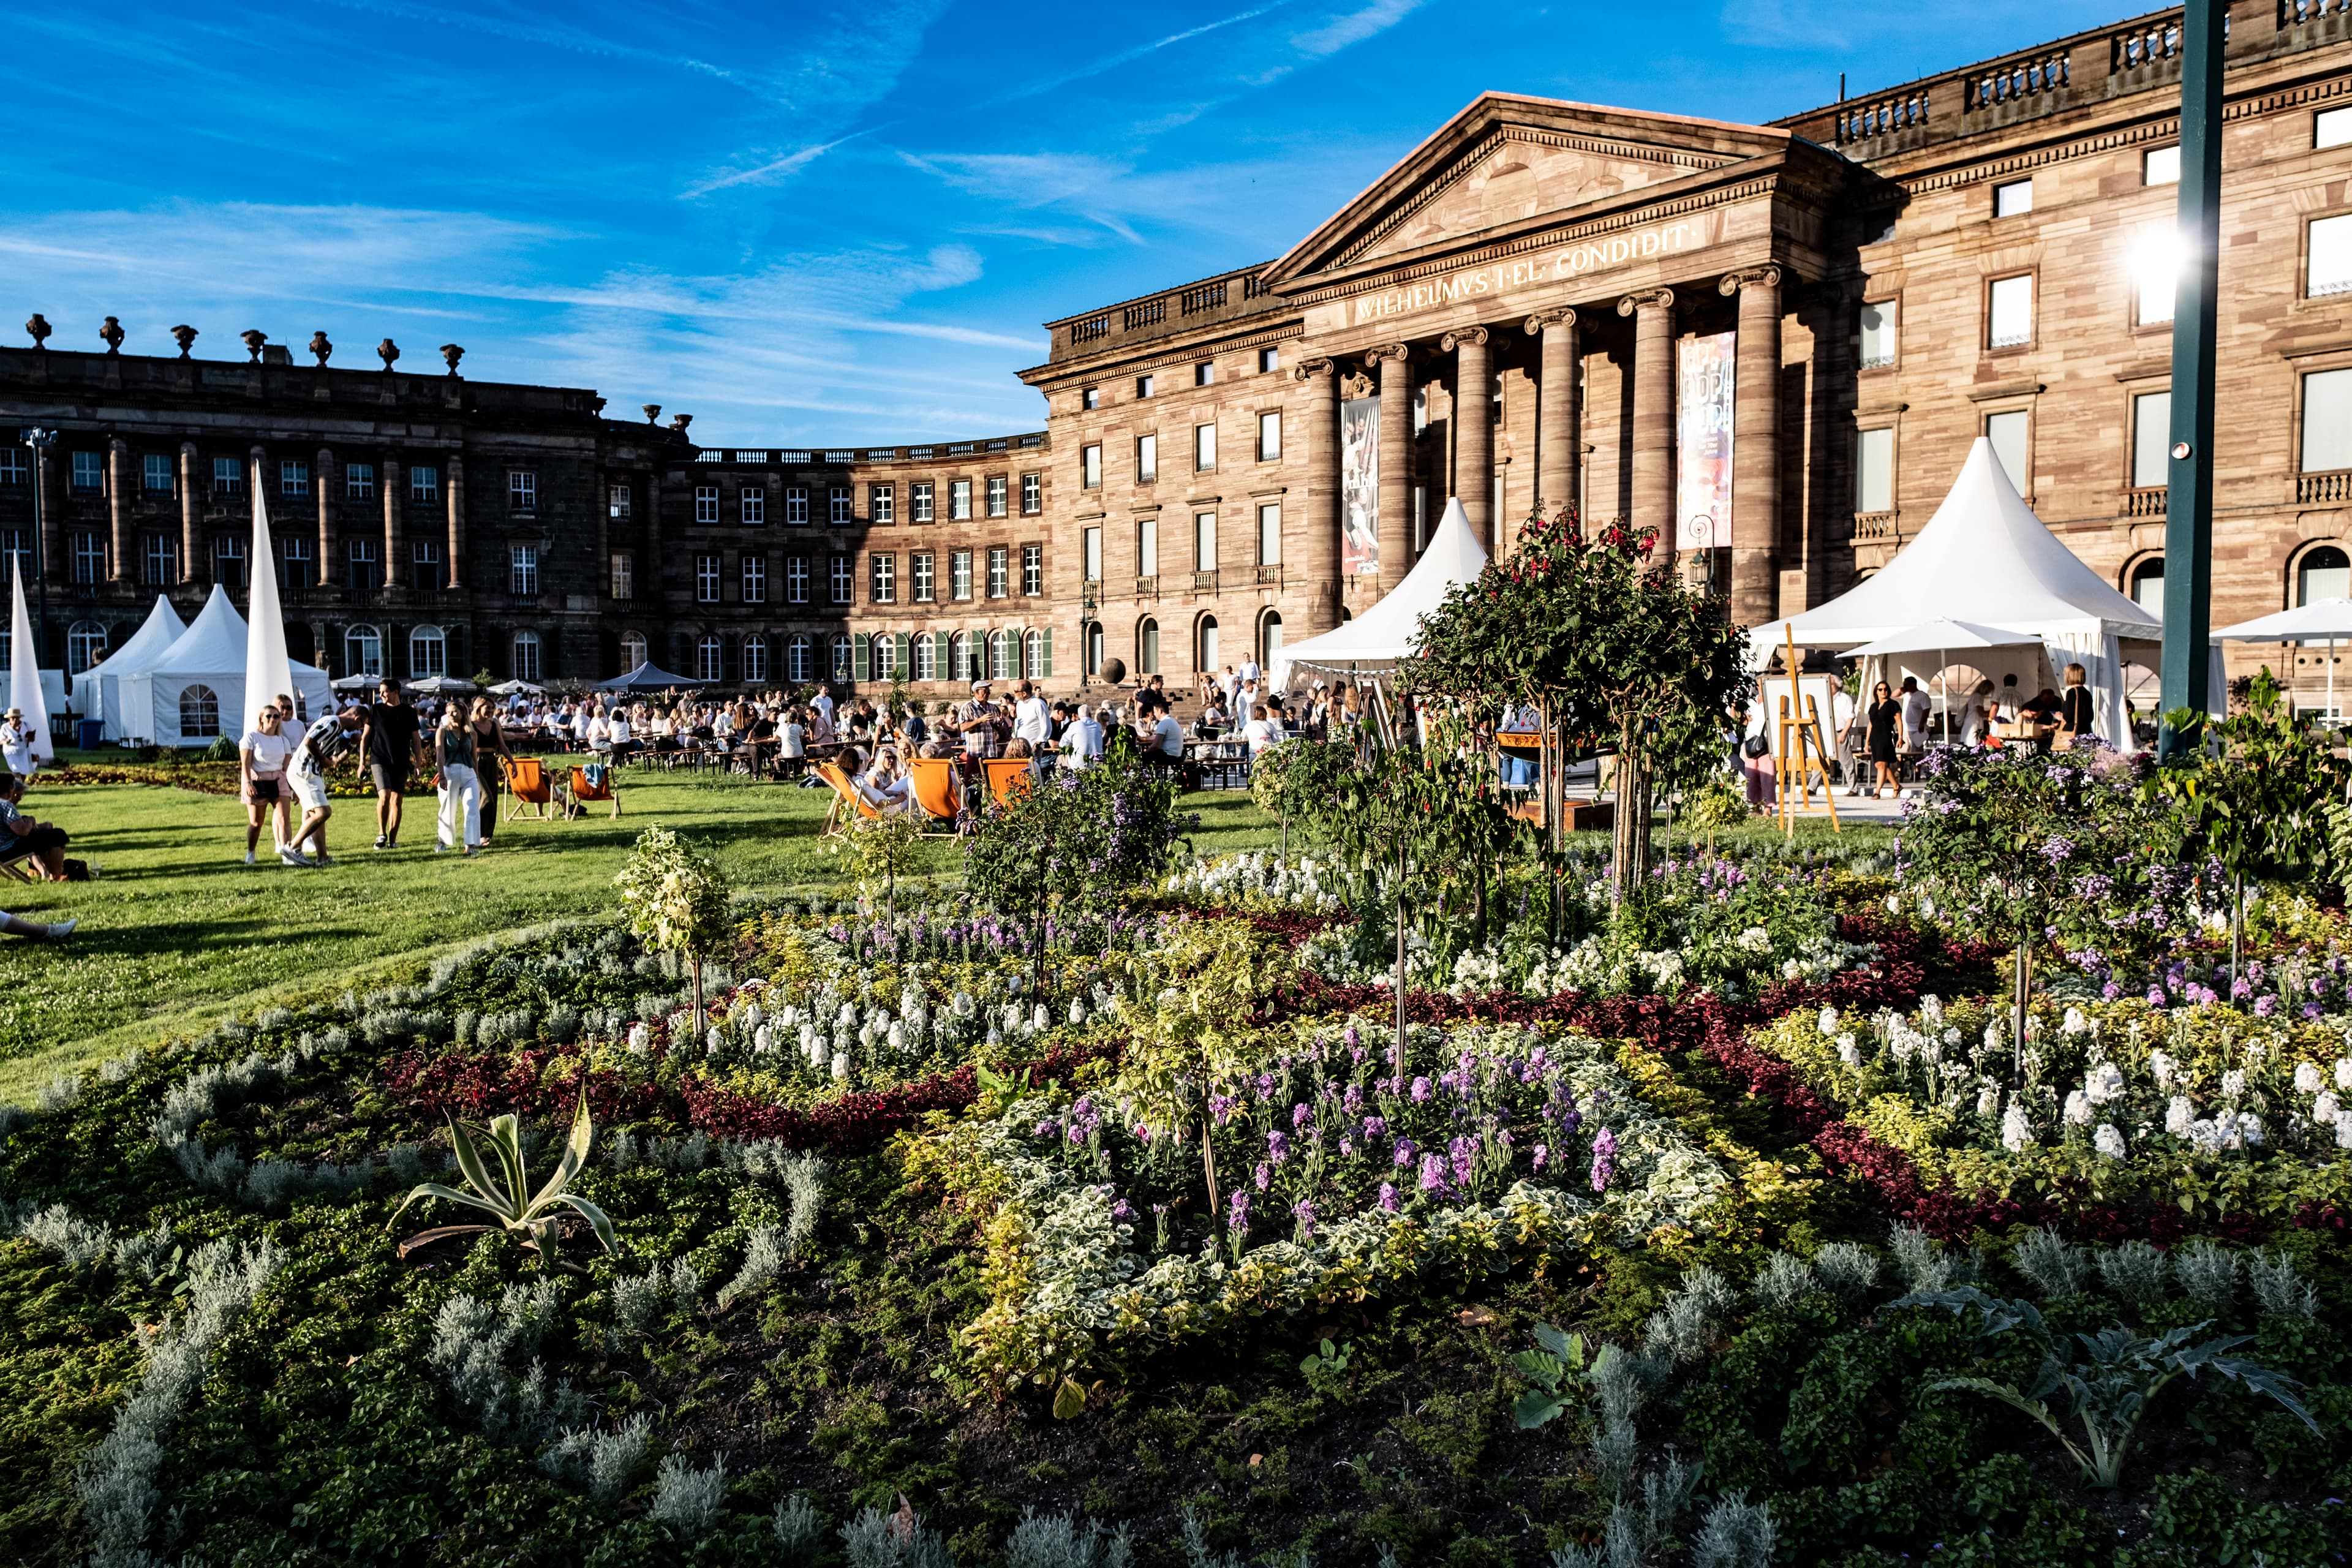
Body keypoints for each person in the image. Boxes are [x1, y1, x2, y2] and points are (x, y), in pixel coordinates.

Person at [287, 703, 364, 865]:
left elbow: (334, 760)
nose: (360, 728)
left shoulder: (337, 731)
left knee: (317, 815)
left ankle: (323, 857)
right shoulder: (331, 722)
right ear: (357, 719)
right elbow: (309, 742)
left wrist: (352, 745)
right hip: (306, 770)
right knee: (323, 813)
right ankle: (293, 847)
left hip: (311, 773)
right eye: (361, 724)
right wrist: (322, 759)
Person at [358, 680, 424, 850]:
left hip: (401, 760)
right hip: (379, 758)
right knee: (385, 795)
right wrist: (361, 762)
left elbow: (416, 740)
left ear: (395, 692)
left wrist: (418, 762)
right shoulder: (375, 711)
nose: (381, 695)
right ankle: (382, 834)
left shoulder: (409, 712)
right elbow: (365, 738)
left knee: (397, 800)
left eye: (384, 692)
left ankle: (393, 840)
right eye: (380, 692)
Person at [238, 704, 295, 866]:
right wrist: (248, 783)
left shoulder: (283, 740)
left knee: (284, 818)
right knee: (257, 823)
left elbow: (287, 764)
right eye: (269, 716)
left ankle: (286, 852)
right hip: (258, 780)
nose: (273, 719)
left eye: (276, 716)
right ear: (261, 719)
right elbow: (246, 763)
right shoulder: (251, 738)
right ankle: (251, 852)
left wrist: (292, 786)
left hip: (279, 779)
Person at [434, 703, 483, 856]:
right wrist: (441, 775)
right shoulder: (442, 731)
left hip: (469, 773)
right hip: (450, 772)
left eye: (454, 711)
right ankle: (442, 842)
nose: (451, 714)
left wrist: (476, 776)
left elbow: (474, 757)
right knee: (448, 808)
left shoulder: (472, 734)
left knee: (473, 809)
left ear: (463, 712)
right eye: (448, 712)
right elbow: (440, 754)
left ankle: (470, 845)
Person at [0, 773, 70, 880]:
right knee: (58, 834)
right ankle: (57, 873)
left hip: (4, 849)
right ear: (10, 789)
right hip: (7, 851)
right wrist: (30, 820)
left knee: (42, 835)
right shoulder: (5, 805)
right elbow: (23, 831)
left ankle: (49, 873)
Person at [468, 698, 511, 846]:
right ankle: (476, 832)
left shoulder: (494, 724)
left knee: (493, 798)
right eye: (488, 708)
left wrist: (513, 763)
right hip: (475, 762)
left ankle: (487, 835)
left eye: (493, 708)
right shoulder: (471, 725)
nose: (491, 711)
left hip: (492, 761)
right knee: (486, 798)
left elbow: (503, 746)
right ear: (478, 708)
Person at [1864, 680, 1902, 798]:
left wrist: (1900, 737)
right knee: (1880, 765)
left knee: (1882, 763)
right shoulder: (1874, 706)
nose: (1883, 692)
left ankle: (1877, 792)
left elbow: (1899, 722)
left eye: (1885, 689)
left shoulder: (1893, 705)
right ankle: (1896, 786)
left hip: (1886, 736)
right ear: (1876, 691)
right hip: (1875, 738)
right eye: (1880, 689)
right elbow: (1871, 724)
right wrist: (1867, 742)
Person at [2060, 663, 2096, 741]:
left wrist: (2061, 715)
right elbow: (2091, 716)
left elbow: (2068, 716)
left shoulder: (2071, 693)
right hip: (2086, 731)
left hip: (2073, 731)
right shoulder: (2087, 693)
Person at [1012, 681, 1051, 750]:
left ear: (1024, 693)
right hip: (1020, 746)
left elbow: (1046, 725)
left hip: (1034, 746)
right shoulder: (1019, 704)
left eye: (1015, 691)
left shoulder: (1038, 704)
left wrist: (1039, 742)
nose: (1013, 693)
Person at [1899, 676, 1931, 752]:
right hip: (1906, 729)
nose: (1905, 687)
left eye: (1907, 685)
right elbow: (1894, 695)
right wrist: (1902, 689)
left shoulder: (1922, 696)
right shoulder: (1907, 695)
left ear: (1913, 685)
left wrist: (1922, 723)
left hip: (1917, 729)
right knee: (1904, 751)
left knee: (1916, 752)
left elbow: (1926, 710)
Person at [0, 707, 36, 776]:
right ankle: (16, 784)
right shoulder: (5, 727)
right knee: (15, 769)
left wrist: (30, 737)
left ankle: (22, 784)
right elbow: (0, 741)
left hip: (23, 752)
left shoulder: (26, 725)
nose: (15, 720)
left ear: (19, 718)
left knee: (24, 771)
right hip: (10, 752)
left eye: (17, 718)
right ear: (9, 718)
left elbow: (32, 740)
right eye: (13, 718)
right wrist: (5, 741)